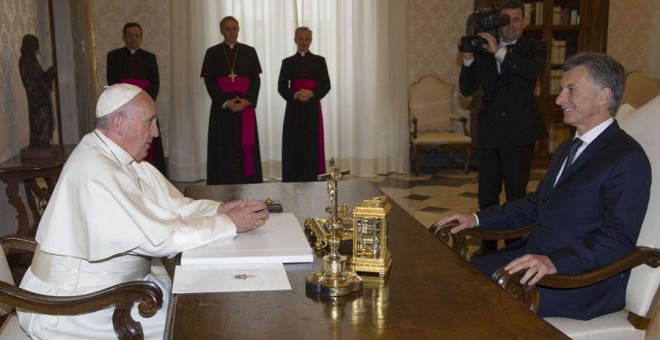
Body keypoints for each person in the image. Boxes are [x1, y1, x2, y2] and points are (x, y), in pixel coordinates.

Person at [17, 84, 270, 339]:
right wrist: (229, 223)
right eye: (149, 122)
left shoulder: (122, 157)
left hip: (119, 289)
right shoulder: (96, 170)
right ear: (118, 122)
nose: (156, 132)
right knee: (200, 324)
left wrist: (219, 210)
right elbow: (163, 239)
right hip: (77, 306)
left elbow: (173, 207)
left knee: (206, 300)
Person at [434, 52, 651, 320]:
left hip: (577, 281)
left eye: (571, 90)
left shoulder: (627, 158)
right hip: (534, 260)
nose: (560, 99)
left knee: (477, 304)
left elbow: (618, 239)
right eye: (562, 90)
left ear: (604, 96)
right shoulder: (566, 149)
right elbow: (535, 206)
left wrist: (554, 262)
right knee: (455, 279)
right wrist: (475, 218)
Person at [459, 0, 548, 256]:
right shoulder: (484, 48)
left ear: (525, 21)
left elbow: (529, 73)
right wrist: (468, 59)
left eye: (516, 19)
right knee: (487, 193)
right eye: (504, 20)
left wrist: (498, 51)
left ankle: (514, 245)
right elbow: (466, 88)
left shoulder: (535, 48)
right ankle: (487, 244)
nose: (510, 25)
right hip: (490, 130)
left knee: (516, 194)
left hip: (519, 131)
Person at [200, 16, 263, 185]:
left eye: (235, 28)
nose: (232, 32)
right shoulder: (212, 53)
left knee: (246, 150)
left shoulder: (249, 52)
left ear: (239, 29)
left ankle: (249, 182)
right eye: (228, 29)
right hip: (222, 111)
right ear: (221, 31)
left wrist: (248, 100)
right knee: (222, 149)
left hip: (245, 109)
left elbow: (255, 80)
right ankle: (222, 182)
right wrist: (225, 102)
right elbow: (210, 81)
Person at [107, 22, 167, 176]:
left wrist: (142, 104)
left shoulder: (149, 58)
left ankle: (153, 177)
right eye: (129, 35)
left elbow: (155, 84)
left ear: (141, 38)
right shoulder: (113, 56)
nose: (133, 38)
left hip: (145, 109)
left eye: (137, 35)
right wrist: (128, 104)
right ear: (123, 37)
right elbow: (113, 83)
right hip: (124, 110)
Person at [278, 27, 331, 182]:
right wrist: (294, 94)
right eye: (300, 39)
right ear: (295, 40)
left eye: (307, 39)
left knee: (311, 145)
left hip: (312, 109)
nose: (303, 42)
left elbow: (326, 85)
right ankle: (291, 179)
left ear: (311, 40)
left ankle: (311, 179)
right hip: (293, 109)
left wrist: (312, 93)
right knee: (292, 144)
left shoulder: (319, 61)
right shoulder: (287, 62)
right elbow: (281, 86)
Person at [19, 34, 57, 149]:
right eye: (36, 45)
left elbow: (39, 79)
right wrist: (48, 77)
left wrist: (49, 74)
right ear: (30, 46)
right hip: (37, 105)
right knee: (40, 127)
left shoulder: (33, 61)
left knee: (44, 128)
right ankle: (40, 144)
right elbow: (31, 87)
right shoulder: (25, 62)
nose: (37, 48)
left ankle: (43, 143)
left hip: (42, 102)